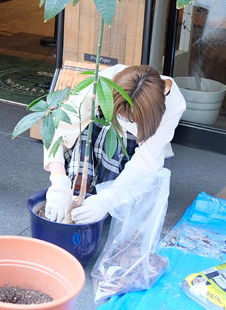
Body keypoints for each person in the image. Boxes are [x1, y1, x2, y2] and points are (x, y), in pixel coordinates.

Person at [43, 64, 187, 224]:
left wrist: (107, 199)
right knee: (92, 128)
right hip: (99, 131)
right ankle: (80, 186)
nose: (124, 120)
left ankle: (103, 191)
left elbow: (146, 159)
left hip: (132, 146)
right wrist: (59, 183)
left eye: (130, 119)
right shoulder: (105, 81)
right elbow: (59, 128)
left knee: (129, 196)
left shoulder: (174, 103)